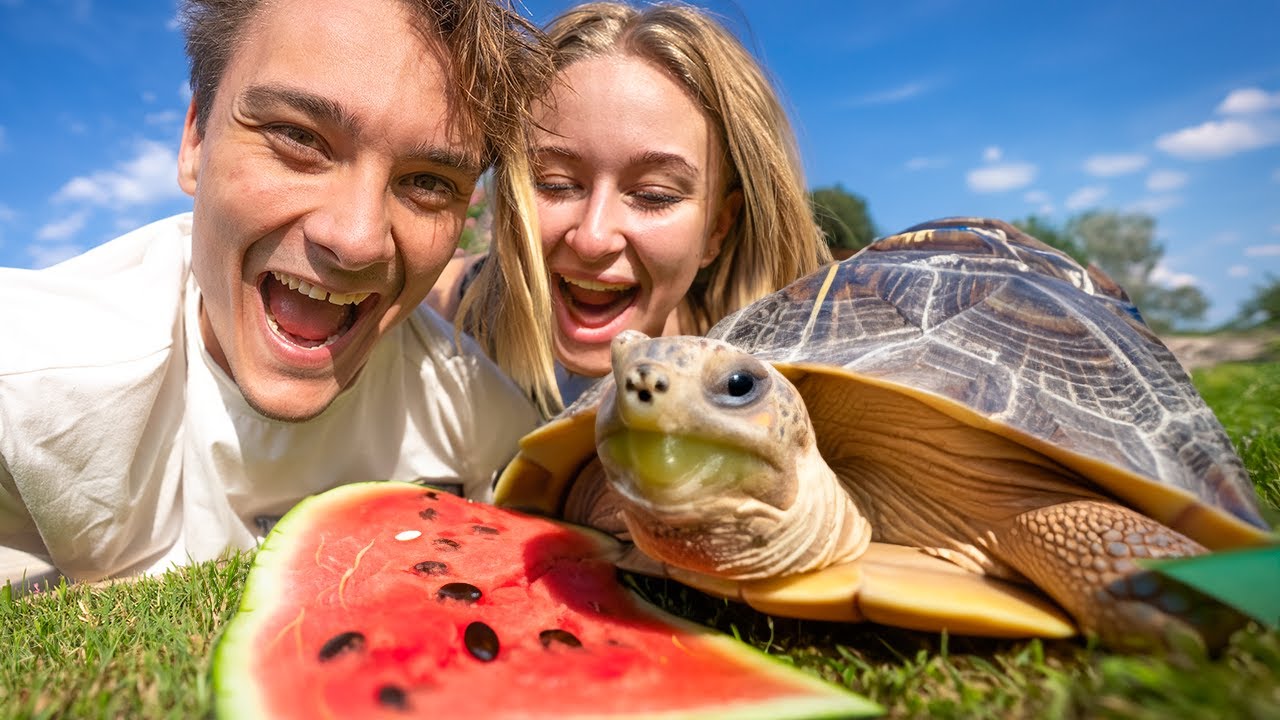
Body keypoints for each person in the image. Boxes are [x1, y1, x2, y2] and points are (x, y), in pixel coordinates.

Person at [0, 0, 552, 587]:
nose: (358, 240)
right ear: (195, 140)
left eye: (428, 182)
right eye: (298, 137)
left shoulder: (472, 406)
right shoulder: (23, 387)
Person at [438, 1, 831, 416]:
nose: (592, 239)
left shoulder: (770, 395)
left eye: (654, 195)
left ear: (718, 227)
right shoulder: (441, 317)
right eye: (555, 183)